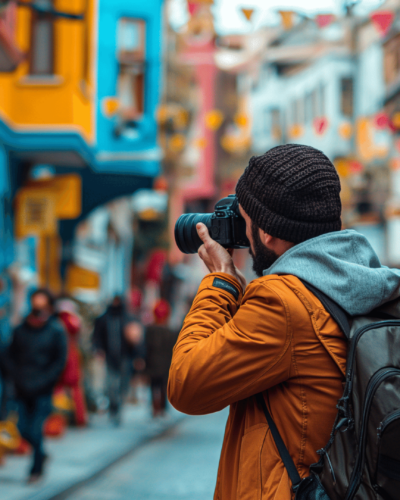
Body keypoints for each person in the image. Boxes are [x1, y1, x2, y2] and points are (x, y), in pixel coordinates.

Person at [168, 144, 400, 500]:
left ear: (266, 234)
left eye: (244, 220)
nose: (242, 234)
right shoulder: (366, 281)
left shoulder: (282, 302)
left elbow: (186, 384)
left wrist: (221, 281)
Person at [3, 289, 67, 483]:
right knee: (22, 429)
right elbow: (8, 355)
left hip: (43, 390)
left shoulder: (55, 330)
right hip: (21, 388)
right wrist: (16, 376)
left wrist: (47, 380)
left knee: (35, 429)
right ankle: (41, 454)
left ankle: (36, 469)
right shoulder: (20, 329)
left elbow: (59, 361)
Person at [93, 296, 138, 424]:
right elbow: (96, 336)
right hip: (109, 356)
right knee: (111, 385)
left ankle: (119, 409)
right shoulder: (104, 319)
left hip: (125, 356)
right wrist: (98, 349)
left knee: (123, 385)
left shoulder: (129, 319)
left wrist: (138, 356)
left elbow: (136, 338)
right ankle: (113, 407)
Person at [145, 299, 176, 417]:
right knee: (163, 386)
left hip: (153, 364)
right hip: (165, 365)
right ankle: (162, 408)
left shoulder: (149, 331)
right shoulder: (171, 332)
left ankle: (155, 407)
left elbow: (146, 348)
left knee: (154, 387)